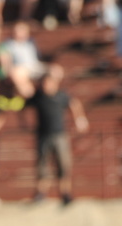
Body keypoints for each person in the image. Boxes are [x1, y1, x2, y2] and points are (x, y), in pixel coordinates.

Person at [27, 66, 88, 204]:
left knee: (63, 165)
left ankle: (65, 193)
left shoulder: (61, 96)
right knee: (43, 165)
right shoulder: (38, 96)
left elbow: (74, 104)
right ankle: (41, 193)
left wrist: (80, 119)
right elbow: (24, 104)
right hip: (43, 135)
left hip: (60, 134)